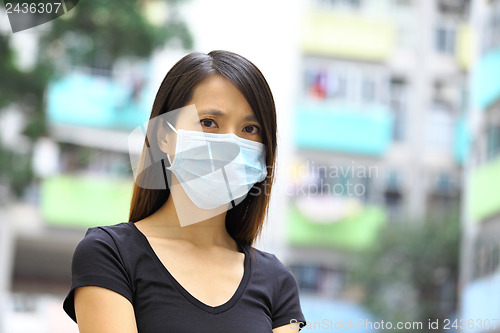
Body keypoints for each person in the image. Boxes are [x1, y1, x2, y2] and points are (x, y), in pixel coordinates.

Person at [62, 50, 307, 332]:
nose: (231, 144)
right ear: (164, 136)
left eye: (249, 128)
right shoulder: (109, 254)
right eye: (209, 123)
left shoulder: (277, 282)